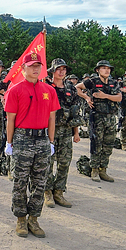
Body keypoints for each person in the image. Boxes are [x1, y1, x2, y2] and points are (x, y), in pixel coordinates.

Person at [3, 51, 60, 238]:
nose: (35, 69)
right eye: (32, 66)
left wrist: (51, 142)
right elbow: (10, 119)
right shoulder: (16, 90)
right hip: (22, 139)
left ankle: (33, 219)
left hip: (42, 140)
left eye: (38, 66)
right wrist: (9, 142)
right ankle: (20, 218)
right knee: (20, 181)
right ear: (23, 68)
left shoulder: (49, 90)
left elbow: (52, 118)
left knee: (40, 182)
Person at [44, 58, 85, 208]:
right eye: (58, 69)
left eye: (64, 69)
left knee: (64, 163)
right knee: (48, 163)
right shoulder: (45, 87)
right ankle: (47, 191)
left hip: (66, 131)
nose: (61, 72)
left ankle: (59, 192)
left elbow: (75, 111)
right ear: (52, 71)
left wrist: (76, 132)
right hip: (49, 131)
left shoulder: (71, 88)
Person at [78, 60, 122, 182]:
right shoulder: (92, 81)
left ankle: (103, 169)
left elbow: (119, 97)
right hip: (97, 117)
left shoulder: (114, 82)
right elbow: (77, 88)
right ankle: (94, 170)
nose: (106, 70)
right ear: (97, 70)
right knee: (96, 144)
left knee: (108, 144)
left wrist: (105, 96)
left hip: (111, 117)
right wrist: (87, 98)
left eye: (108, 68)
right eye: (103, 68)